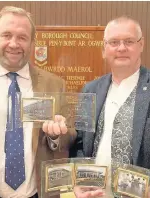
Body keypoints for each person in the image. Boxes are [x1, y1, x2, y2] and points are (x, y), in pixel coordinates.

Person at [0, 6, 76, 198]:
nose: (14, 44)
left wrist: (56, 136)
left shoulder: (54, 84)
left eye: (22, 37)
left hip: (37, 193)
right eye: (6, 35)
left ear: (32, 42)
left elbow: (71, 135)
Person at [70, 16, 150, 198]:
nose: (121, 48)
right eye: (114, 42)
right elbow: (80, 143)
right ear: (104, 49)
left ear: (141, 45)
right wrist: (79, 183)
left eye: (129, 41)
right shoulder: (90, 90)